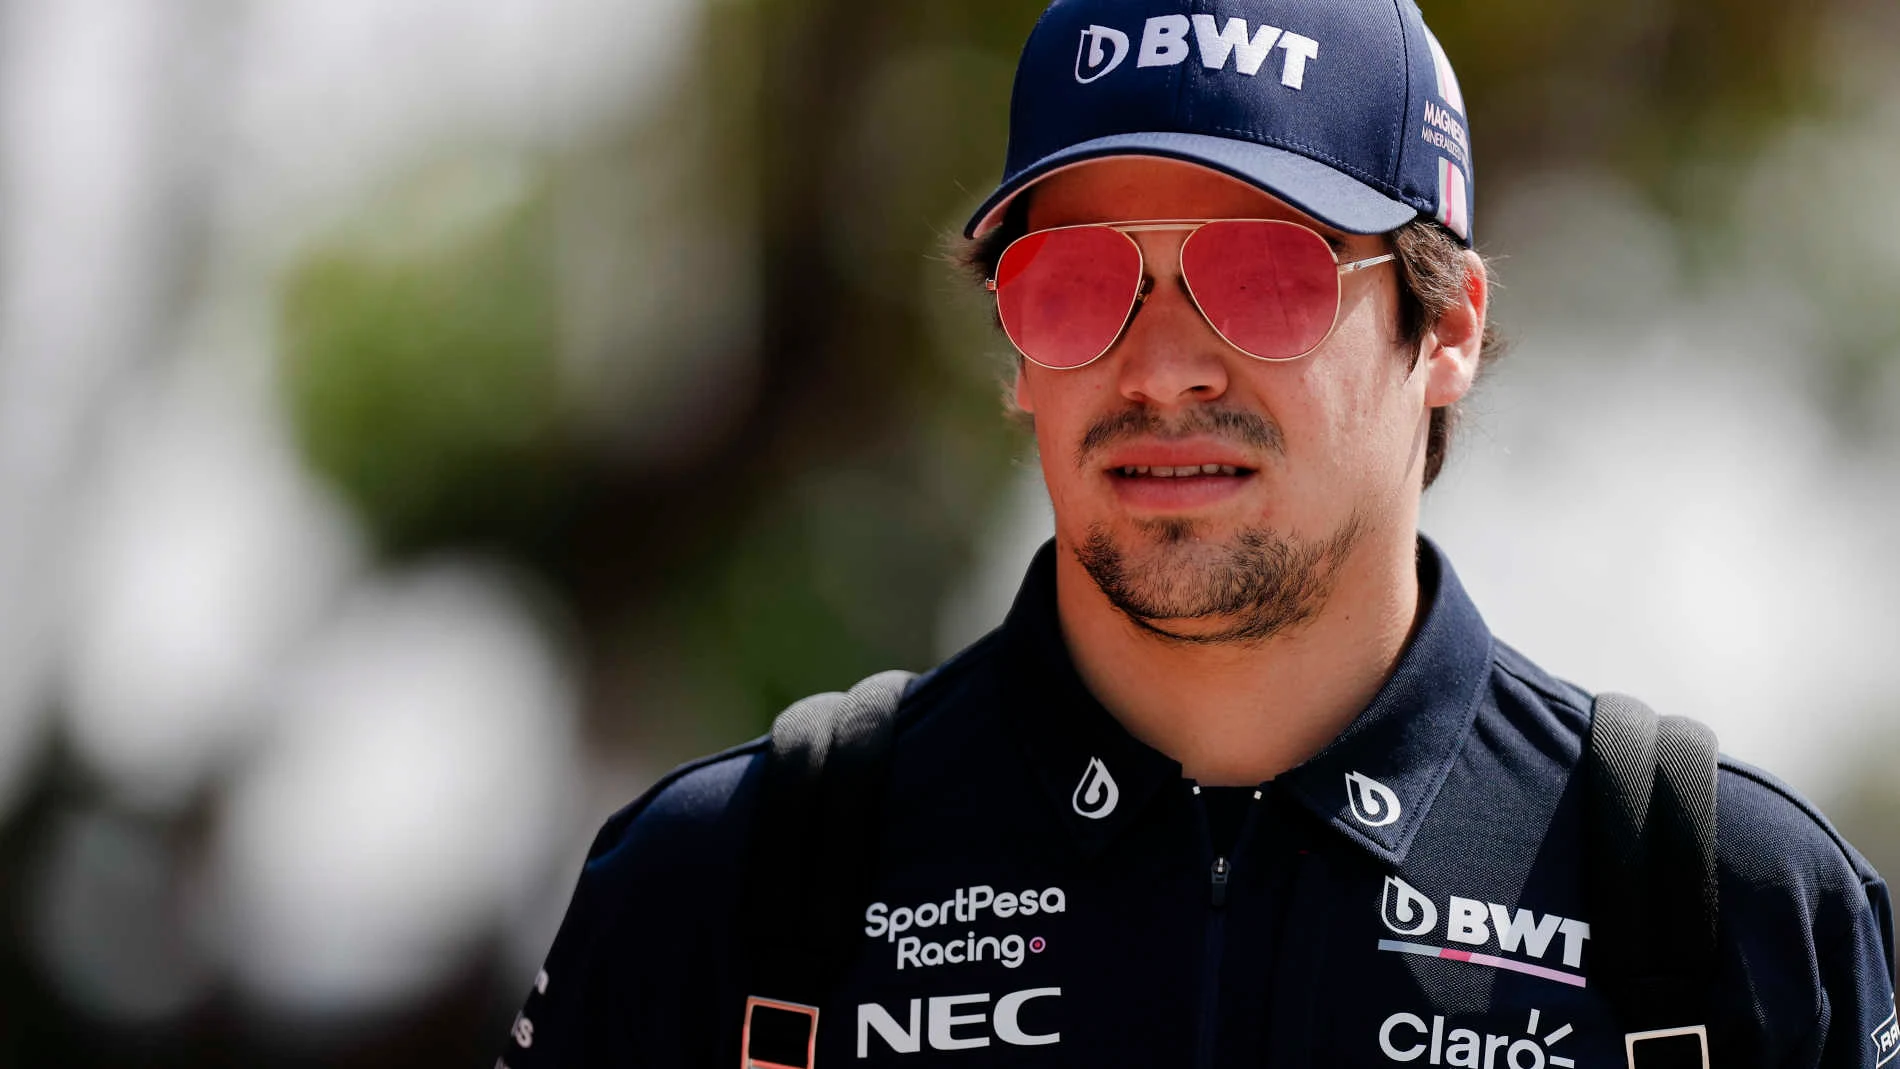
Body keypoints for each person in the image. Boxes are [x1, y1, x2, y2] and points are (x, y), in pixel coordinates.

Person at [501, 0, 1897, 1064]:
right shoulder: (727, 886)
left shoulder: (1726, 913)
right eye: (1075, 281)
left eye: (1265, 271)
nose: (1162, 364)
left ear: (1450, 324)